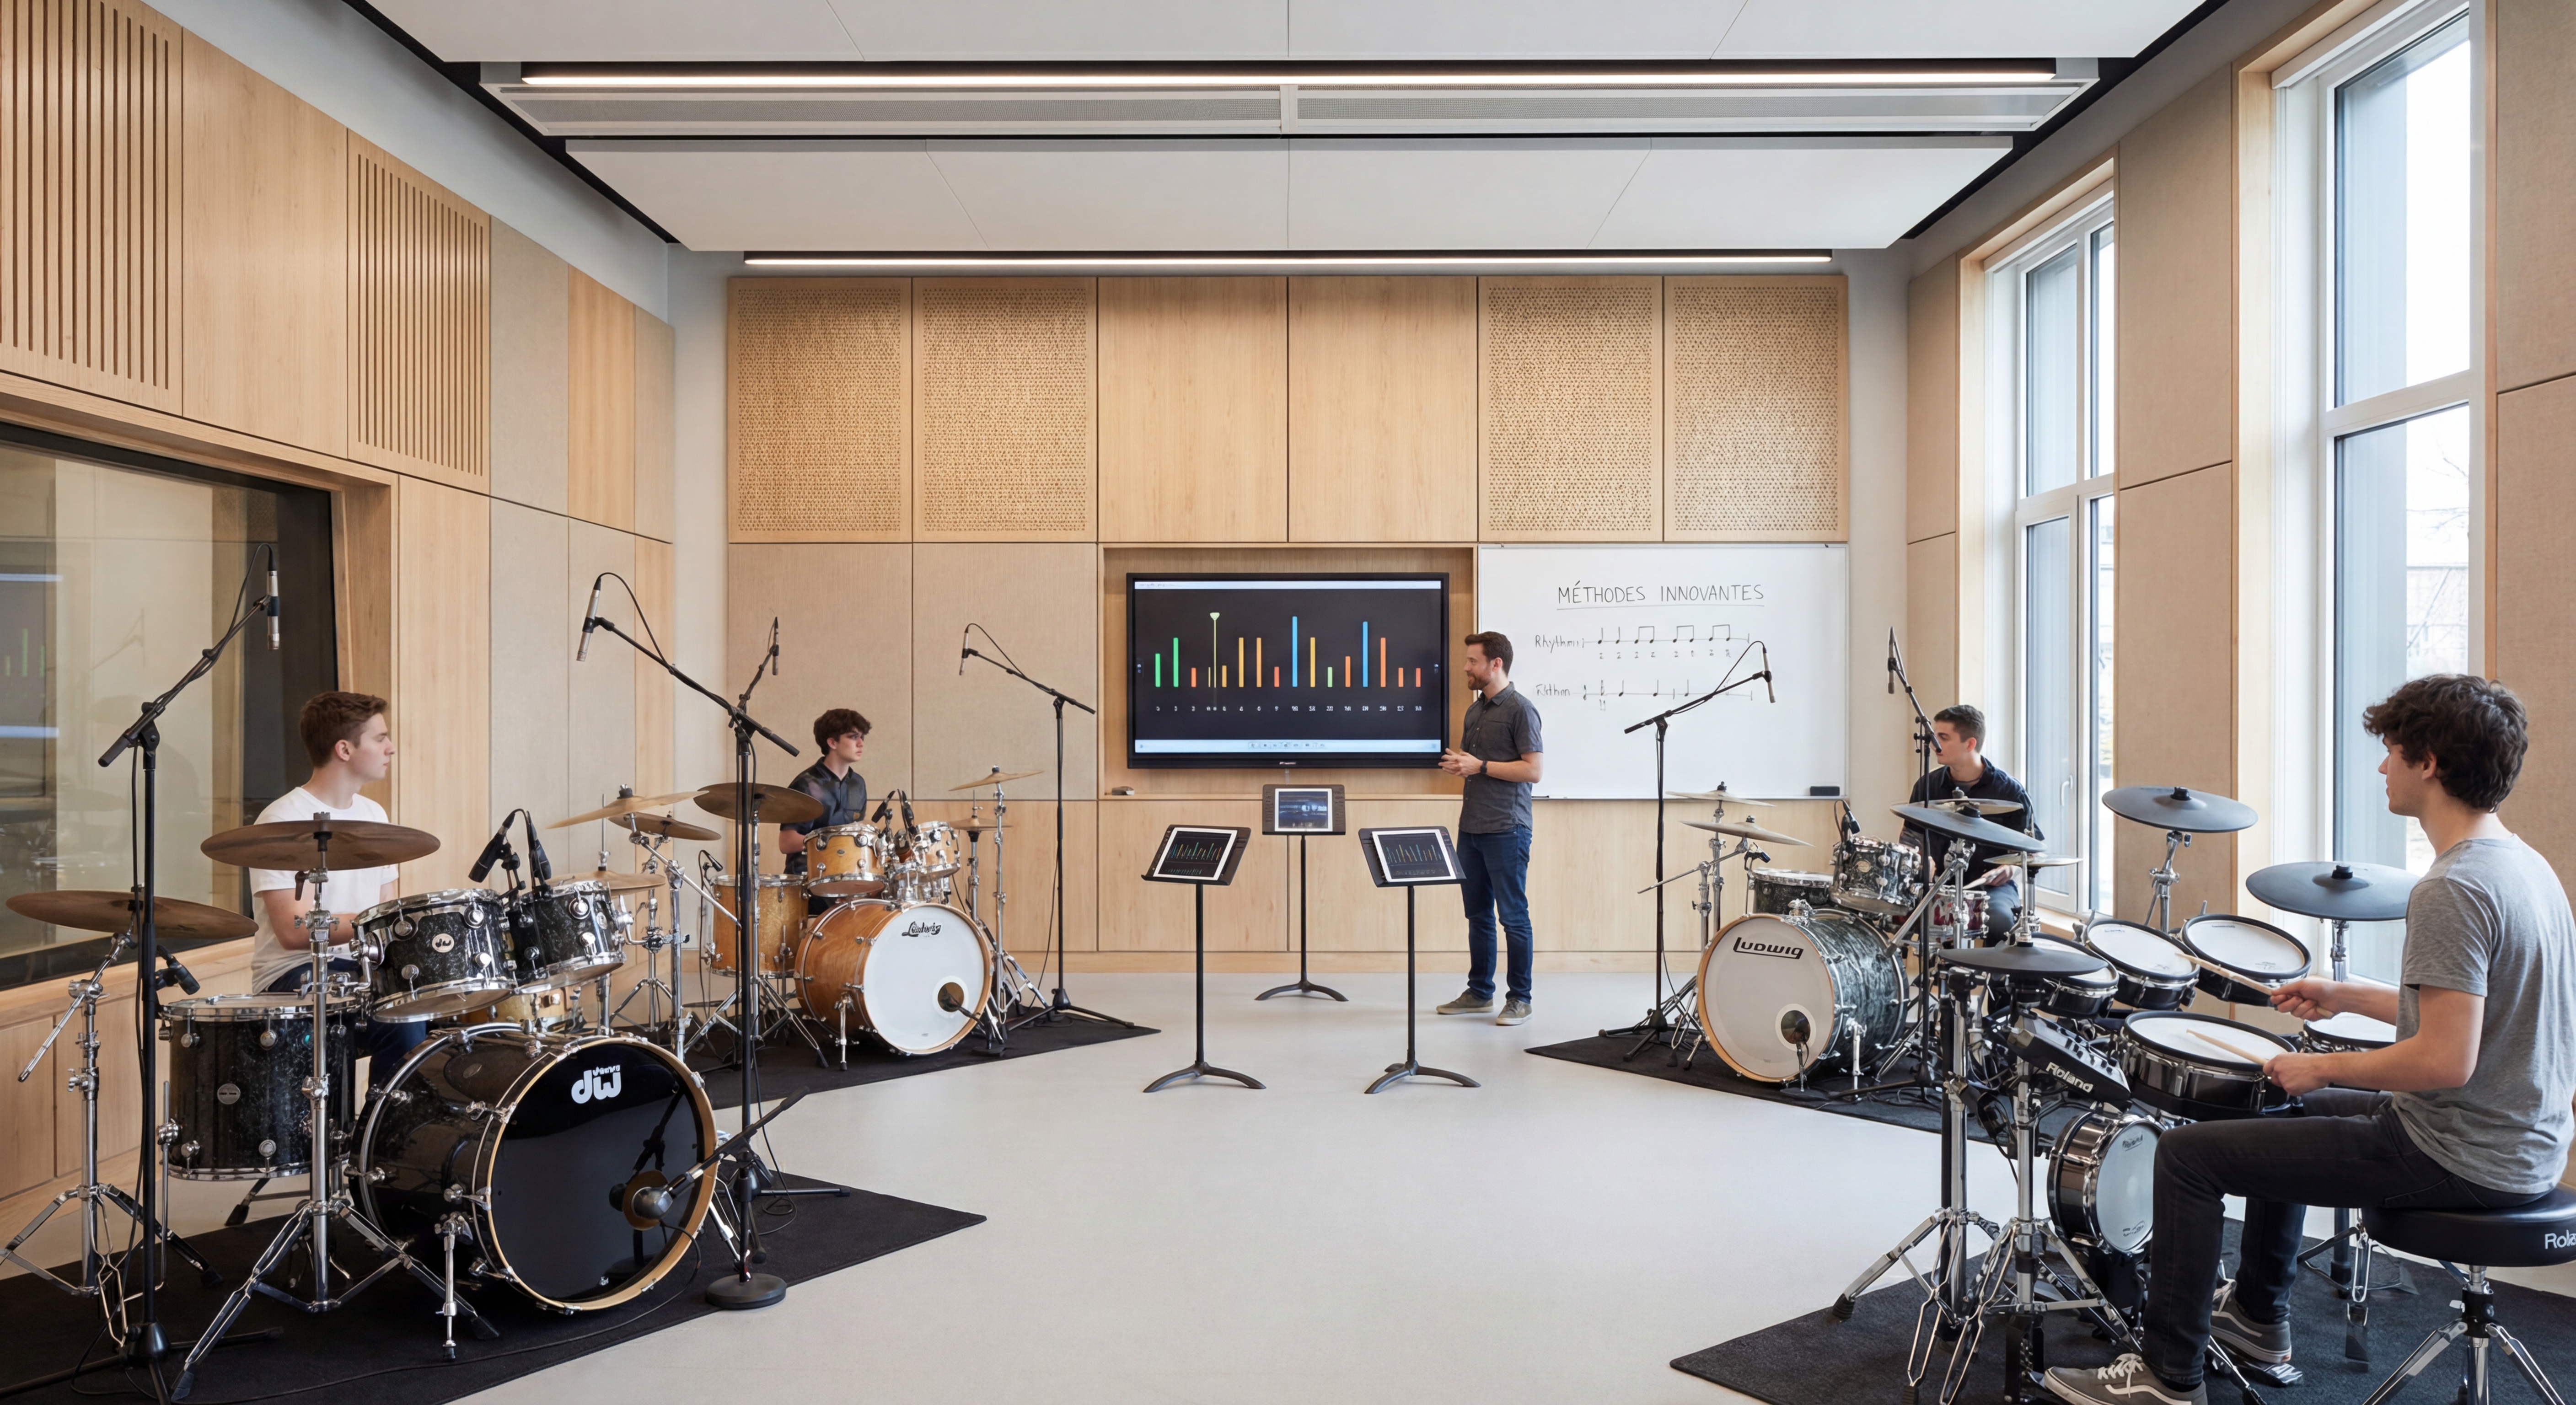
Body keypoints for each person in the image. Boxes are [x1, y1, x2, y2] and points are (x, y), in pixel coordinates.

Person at [2044, 674, 2576, 1405]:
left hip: (2462, 1151)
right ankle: (2259, 1318)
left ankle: (2167, 1379)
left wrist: (2323, 1067)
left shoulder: (2453, 888)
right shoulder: (2522, 865)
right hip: (2518, 1139)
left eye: (2391, 752)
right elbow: (2480, 1015)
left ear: (2430, 763)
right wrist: (2346, 996)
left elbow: (2446, 1059)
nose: (2382, 767)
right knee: (2272, 1121)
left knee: (2185, 1158)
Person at [250, 692, 414, 1091]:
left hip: (357, 968)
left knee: (418, 1015)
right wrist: (379, 925)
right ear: (344, 749)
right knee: (361, 1026)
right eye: (380, 738)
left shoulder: (374, 816)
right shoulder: (282, 819)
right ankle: (341, 1138)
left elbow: (384, 914)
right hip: (292, 975)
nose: (391, 748)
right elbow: (293, 930)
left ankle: (380, 1140)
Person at [1436, 632, 1544, 1026]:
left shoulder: (1521, 710)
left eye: (1473, 661)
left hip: (1507, 828)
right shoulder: (1474, 711)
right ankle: (1480, 992)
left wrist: (1479, 766)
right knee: (1477, 915)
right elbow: (1477, 764)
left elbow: (1533, 771)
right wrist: (1462, 764)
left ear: (1495, 664)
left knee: (1513, 916)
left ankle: (1521, 998)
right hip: (1472, 828)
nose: (1466, 667)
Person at [1899, 703, 2039, 938]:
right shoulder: (1927, 786)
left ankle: (1991, 976)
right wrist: (1920, 862)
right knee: (1900, 913)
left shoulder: (2010, 791)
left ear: (1970, 744)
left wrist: (2011, 869)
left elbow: (2032, 852)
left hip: (1991, 887)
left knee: (2000, 921)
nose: (1935, 744)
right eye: (1935, 736)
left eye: (1943, 737)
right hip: (1939, 883)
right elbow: (1909, 840)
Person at [780, 708, 871, 908]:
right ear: (832, 742)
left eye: (862, 737)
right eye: (853, 736)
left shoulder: (858, 784)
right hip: (810, 883)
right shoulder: (805, 784)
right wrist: (833, 841)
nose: (861, 743)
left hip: (846, 878)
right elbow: (786, 843)